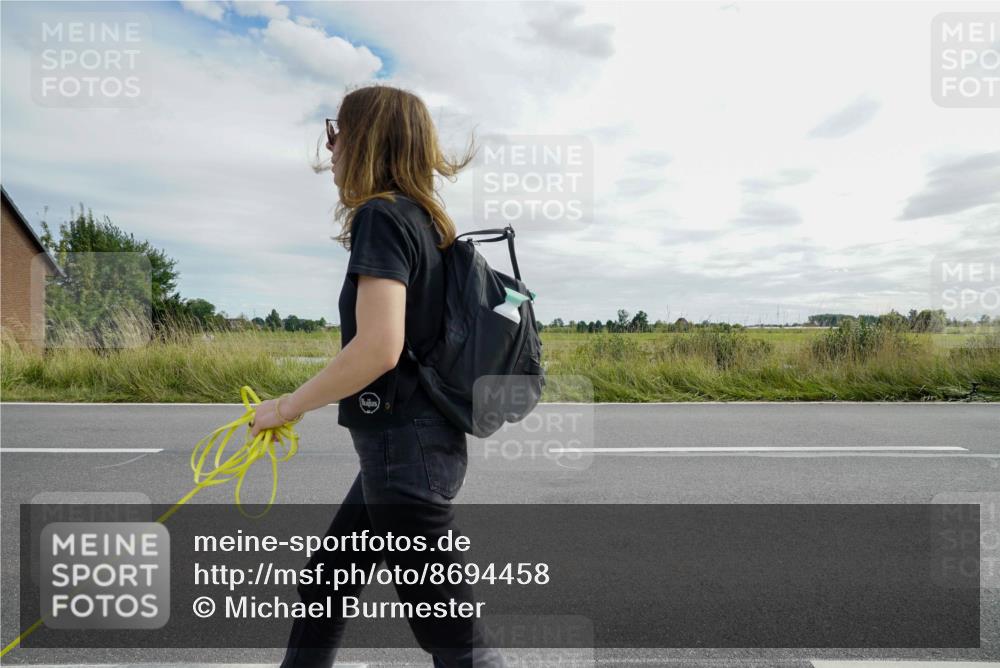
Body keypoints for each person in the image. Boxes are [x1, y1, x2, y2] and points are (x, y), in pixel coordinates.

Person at [248, 84, 502, 668]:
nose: (330, 148)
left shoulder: (381, 218)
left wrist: (285, 407)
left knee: (453, 637)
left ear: (364, 140)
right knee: (325, 588)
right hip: (410, 447)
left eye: (338, 133)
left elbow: (379, 349)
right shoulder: (424, 223)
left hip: (403, 454)